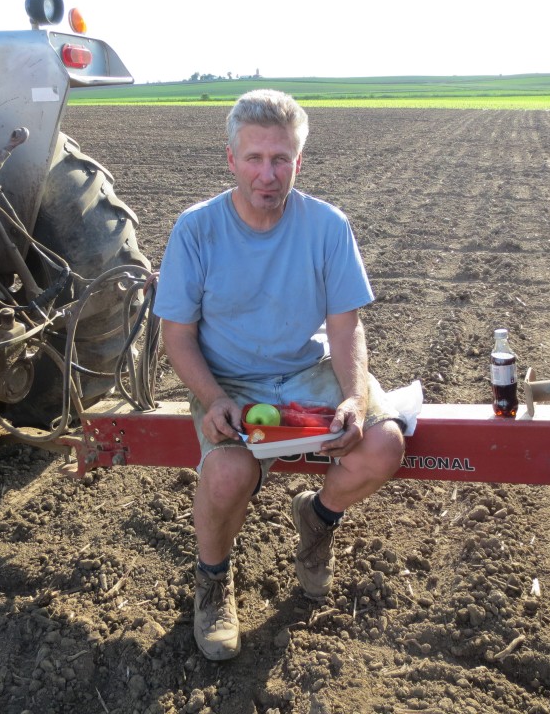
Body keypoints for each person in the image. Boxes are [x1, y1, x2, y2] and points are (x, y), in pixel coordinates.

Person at [153, 89, 405, 661]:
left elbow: (345, 327)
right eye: (254, 158)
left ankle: (317, 519)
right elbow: (178, 335)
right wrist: (213, 398)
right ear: (231, 159)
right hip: (230, 383)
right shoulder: (197, 230)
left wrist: (350, 398)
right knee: (226, 476)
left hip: (303, 371)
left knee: (382, 446)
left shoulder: (326, 227)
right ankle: (213, 583)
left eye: (281, 159)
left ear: (299, 162)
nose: (268, 174)